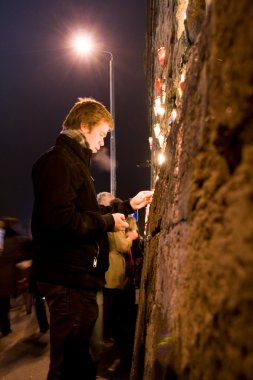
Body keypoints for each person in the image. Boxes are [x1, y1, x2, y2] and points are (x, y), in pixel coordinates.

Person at [31, 97, 153, 380]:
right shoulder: (58, 163)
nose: (102, 143)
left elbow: (85, 211)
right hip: (68, 279)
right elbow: (61, 222)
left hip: (76, 278)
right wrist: (108, 221)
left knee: (79, 361)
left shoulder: (71, 162)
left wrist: (126, 206)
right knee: (69, 366)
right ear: (83, 126)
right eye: (101, 135)